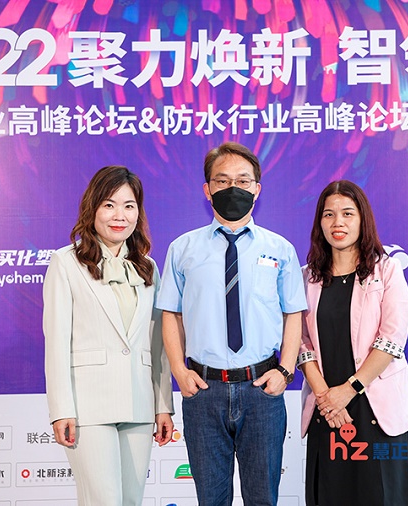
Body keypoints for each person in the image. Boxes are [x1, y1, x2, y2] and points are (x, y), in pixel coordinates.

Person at [156, 142, 307, 505]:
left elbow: (294, 314)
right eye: (222, 181)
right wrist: (179, 371)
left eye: (242, 180)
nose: (232, 188)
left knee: (262, 498)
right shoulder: (183, 249)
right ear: (207, 189)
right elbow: (171, 314)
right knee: (211, 499)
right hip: (203, 391)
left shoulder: (280, 249)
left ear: (257, 188)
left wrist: (285, 372)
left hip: (262, 389)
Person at [43, 166, 174, 506]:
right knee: (104, 500)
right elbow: (56, 342)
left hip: (139, 404)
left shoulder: (148, 267)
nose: (120, 216)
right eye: (109, 205)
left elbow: (157, 344)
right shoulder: (66, 262)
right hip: (88, 407)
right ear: (93, 208)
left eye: (129, 206)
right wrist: (61, 409)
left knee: (131, 501)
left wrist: (163, 406)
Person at [298, 180, 408, 506]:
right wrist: (326, 396)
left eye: (347, 213)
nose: (337, 222)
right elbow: (300, 342)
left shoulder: (387, 270)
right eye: (328, 214)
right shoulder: (307, 277)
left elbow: (392, 339)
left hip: (377, 409)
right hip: (328, 410)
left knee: (384, 495)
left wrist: (350, 389)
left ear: (362, 219)